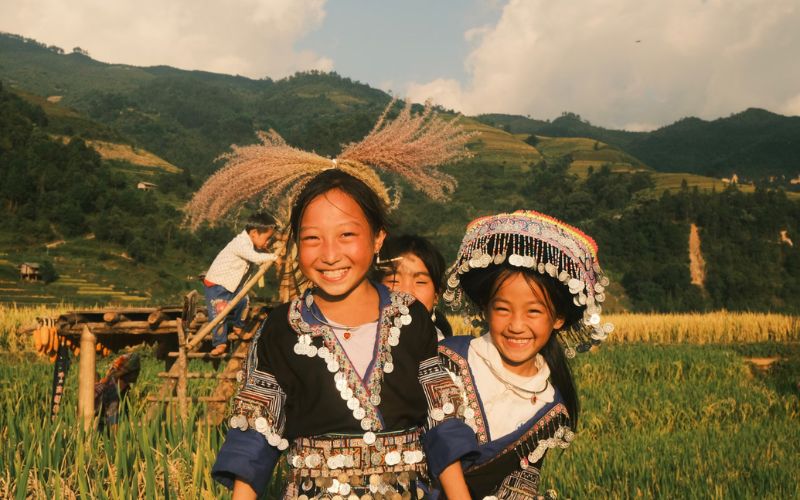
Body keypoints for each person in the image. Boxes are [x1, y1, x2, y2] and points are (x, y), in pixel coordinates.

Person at [199, 100, 473, 499]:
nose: (329, 254)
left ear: (378, 239)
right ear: (295, 244)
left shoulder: (412, 319)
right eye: (312, 238)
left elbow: (441, 422)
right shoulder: (280, 328)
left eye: (347, 235)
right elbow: (256, 433)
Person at [426, 210, 613, 499]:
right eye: (503, 309)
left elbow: (520, 484)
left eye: (534, 311)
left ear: (558, 318)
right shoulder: (449, 358)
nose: (516, 325)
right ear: (486, 310)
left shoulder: (552, 410)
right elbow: (444, 435)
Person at [204, 212, 278, 356]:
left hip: (232, 285)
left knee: (243, 301)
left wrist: (265, 251)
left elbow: (256, 252)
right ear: (254, 233)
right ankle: (220, 343)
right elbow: (254, 257)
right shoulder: (240, 244)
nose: (268, 242)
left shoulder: (250, 243)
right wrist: (273, 257)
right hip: (217, 285)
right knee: (219, 313)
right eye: (267, 238)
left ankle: (239, 327)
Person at [376, 235, 453, 340]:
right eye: (394, 281)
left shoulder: (454, 352)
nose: (406, 293)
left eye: (420, 282)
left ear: (436, 295)